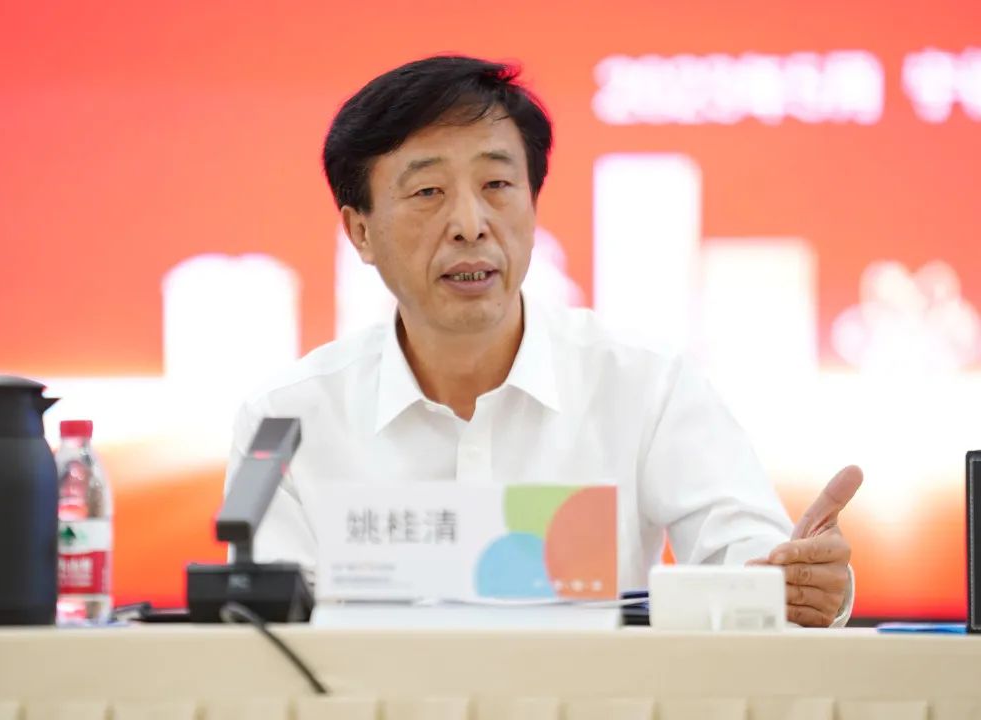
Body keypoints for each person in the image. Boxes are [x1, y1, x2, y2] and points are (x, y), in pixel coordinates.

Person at [227, 55, 861, 627]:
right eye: (427, 192)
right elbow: (269, 648)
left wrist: (797, 584)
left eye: (497, 186)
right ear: (360, 232)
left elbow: (753, 566)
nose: (470, 225)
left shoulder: (645, 383)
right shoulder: (287, 419)